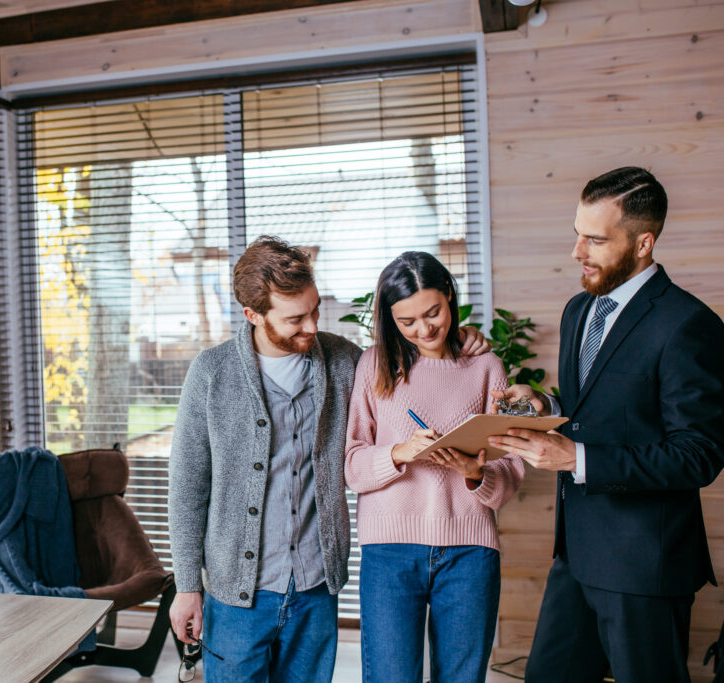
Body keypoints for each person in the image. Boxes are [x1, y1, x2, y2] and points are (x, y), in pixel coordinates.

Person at [168, 236, 490, 682]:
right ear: (253, 315)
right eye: (296, 319)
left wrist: (465, 338)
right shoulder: (211, 372)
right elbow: (187, 488)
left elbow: (420, 366)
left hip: (316, 592)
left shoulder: (344, 360)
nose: (312, 326)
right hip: (237, 596)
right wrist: (187, 586)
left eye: (315, 310)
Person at [488, 167, 724, 682]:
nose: (578, 252)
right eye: (577, 234)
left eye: (595, 239)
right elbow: (598, 407)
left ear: (644, 242)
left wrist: (576, 458)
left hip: (646, 566)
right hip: (575, 556)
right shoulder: (578, 309)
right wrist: (544, 403)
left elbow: (699, 454)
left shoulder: (690, 325)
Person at [345, 251, 525, 683]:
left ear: (449, 295)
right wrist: (399, 453)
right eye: (407, 322)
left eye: (433, 313)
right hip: (388, 552)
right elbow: (352, 465)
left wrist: (474, 473)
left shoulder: (487, 367)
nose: (424, 329)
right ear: (390, 319)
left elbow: (512, 476)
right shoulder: (374, 365)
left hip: (470, 552)